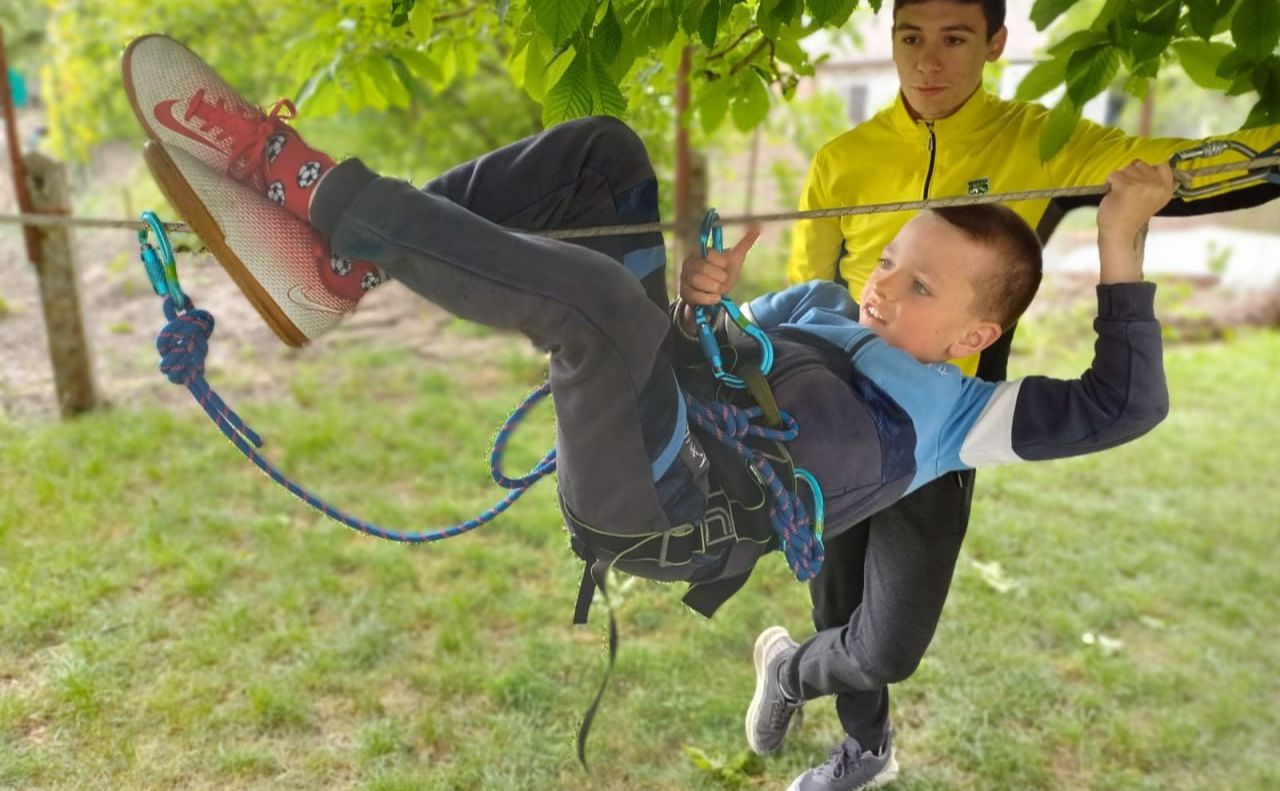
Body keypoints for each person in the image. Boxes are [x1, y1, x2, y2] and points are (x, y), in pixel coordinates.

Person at [127, 33, 1171, 784]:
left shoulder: (954, 413)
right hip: (664, 414)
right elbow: (694, 349)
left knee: (590, 310)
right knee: (602, 151)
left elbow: (1120, 405)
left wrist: (1121, 247)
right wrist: (699, 300)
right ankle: (345, 262)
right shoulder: (817, 304)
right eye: (889, 259)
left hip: (669, 509)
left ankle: (321, 190)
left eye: (918, 288)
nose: (883, 285)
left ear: (969, 340)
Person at [783, 1, 1280, 785]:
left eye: (955, 39)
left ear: (997, 44)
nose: (929, 63)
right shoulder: (843, 157)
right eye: (911, 39)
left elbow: (1189, 162)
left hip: (940, 427)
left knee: (889, 640)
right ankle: (864, 744)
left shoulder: (1045, 142)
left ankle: (793, 672)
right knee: (833, 601)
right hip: (837, 414)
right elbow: (803, 290)